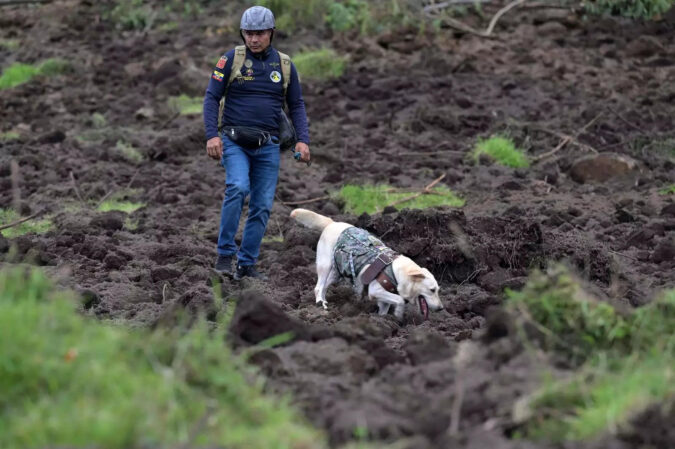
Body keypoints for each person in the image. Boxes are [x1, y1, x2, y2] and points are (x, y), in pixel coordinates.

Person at [203, 5, 310, 280]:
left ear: (271, 32)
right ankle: (225, 256)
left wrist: (303, 141)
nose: (253, 39)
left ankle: (247, 264)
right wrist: (212, 135)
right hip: (234, 142)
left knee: (262, 205)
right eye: (248, 33)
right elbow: (211, 97)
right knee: (237, 187)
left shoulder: (284, 65)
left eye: (259, 33)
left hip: (269, 145)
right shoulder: (230, 60)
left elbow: (296, 104)